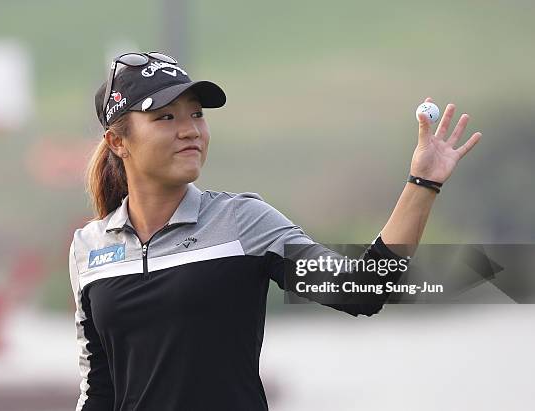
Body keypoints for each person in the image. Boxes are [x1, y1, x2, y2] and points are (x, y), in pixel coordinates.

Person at [68, 51, 482, 411]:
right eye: (165, 117)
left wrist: (422, 182)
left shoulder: (243, 222)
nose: (190, 129)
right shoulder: (88, 249)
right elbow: (98, 391)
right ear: (118, 142)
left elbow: (362, 290)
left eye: (196, 114)